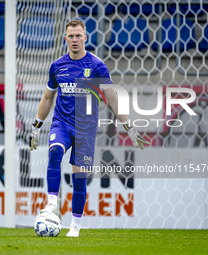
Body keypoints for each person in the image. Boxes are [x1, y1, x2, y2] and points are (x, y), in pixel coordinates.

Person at [29, 20, 149, 237]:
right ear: (65, 38)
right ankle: (51, 204)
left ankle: (75, 225)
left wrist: (129, 128)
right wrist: (36, 125)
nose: (75, 39)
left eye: (78, 36)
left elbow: (112, 99)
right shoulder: (57, 66)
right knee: (54, 152)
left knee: (79, 178)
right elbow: (48, 98)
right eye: (71, 36)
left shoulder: (96, 66)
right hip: (62, 123)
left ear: (85, 38)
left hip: (85, 130)